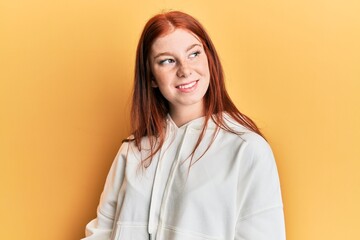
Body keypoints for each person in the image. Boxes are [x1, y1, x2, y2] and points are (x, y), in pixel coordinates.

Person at [82, 11, 285, 240]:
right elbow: (101, 234)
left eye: (194, 54)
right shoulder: (132, 150)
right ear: (150, 77)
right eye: (167, 60)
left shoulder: (247, 150)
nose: (185, 70)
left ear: (209, 59)